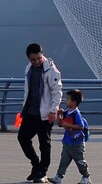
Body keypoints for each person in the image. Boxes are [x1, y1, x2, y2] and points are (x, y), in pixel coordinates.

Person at [18, 43, 62, 183]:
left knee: (44, 144)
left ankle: (42, 172)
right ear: (28, 59)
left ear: (42, 55)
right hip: (30, 111)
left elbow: (57, 91)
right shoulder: (28, 68)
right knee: (23, 138)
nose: (36, 61)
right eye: (33, 59)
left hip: (45, 114)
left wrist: (53, 110)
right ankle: (35, 164)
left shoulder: (51, 70)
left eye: (38, 58)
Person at [47, 89, 91, 184]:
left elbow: (80, 126)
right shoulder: (66, 112)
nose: (65, 101)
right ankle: (59, 176)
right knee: (64, 161)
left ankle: (86, 177)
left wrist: (69, 126)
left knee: (80, 161)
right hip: (67, 142)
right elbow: (60, 124)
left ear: (74, 102)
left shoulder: (76, 114)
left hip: (77, 143)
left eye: (67, 99)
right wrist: (59, 116)